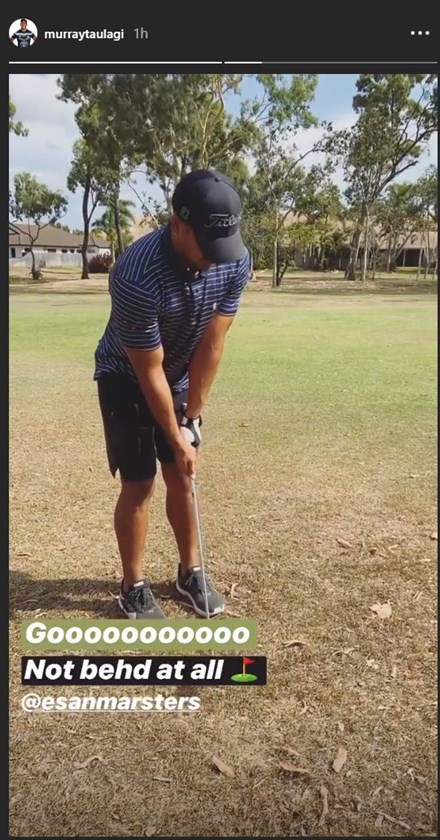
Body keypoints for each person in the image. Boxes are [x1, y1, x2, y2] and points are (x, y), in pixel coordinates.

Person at [94, 169, 250, 619]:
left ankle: (190, 572)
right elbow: (148, 369)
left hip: (179, 374)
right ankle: (133, 585)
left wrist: (191, 420)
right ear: (177, 225)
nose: (216, 258)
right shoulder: (135, 273)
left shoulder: (233, 260)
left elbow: (213, 344)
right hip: (126, 377)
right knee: (139, 482)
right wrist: (174, 434)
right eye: (207, 243)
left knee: (182, 475)